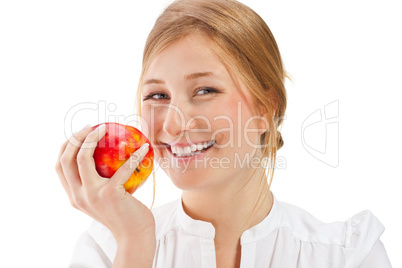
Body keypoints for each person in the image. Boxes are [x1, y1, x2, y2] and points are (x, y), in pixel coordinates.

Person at [55, 0, 392, 267]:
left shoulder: (349, 257)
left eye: (205, 91)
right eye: (158, 96)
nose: (171, 125)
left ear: (266, 108)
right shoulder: (107, 251)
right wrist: (136, 244)